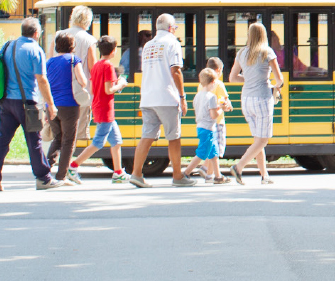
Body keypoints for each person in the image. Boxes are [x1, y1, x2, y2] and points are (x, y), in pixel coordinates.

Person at [0, 18, 55, 192]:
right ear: (36, 33)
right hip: (28, 102)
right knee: (34, 140)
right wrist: (50, 104)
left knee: (2, 139)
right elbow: (41, 80)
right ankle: (43, 178)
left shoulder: (9, 46)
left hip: (7, 100)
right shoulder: (35, 50)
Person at [129, 13, 193, 188]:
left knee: (147, 136)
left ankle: (136, 173)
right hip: (166, 96)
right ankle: (178, 175)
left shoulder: (148, 45)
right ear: (171, 28)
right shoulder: (173, 43)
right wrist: (182, 97)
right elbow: (176, 71)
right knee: (174, 136)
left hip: (148, 97)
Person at [46, 6, 99, 180]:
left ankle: (46, 168)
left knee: (59, 136)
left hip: (53, 97)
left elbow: (48, 62)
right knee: (70, 138)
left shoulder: (57, 35)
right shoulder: (88, 40)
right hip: (75, 97)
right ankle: (64, 173)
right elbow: (92, 68)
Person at [224, 23, 280, 185]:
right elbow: (279, 79)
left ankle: (265, 176)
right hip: (262, 98)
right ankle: (239, 167)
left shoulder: (242, 52)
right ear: (264, 35)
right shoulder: (267, 52)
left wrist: (249, 79)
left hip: (246, 100)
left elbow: (233, 78)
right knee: (263, 140)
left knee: (257, 139)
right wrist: (275, 86)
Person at [71, 36, 129, 183]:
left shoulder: (96, 65)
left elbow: (93, 87)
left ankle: (118, 172)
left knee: (116, 141)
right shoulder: (108, 66)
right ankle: (73, 166)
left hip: (98, 106)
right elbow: (109, 90)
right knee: (98, 142)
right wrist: (121, 84)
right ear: (114, 50)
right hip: (105, 109)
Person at [43, 32, 88, 187]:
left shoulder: (49, 62)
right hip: (69, 105)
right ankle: (62, 176)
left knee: (57, 138)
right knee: (68, 140)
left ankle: (45, 172)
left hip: (52, 106)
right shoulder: (74, 60)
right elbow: (82, 81)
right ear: (72, 46)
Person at [190, 64, 227, 184]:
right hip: (208, 129)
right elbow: (213, 115)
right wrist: (221, 109)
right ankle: (185, 173)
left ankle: (218, 176)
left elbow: (204, 110)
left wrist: (217, 107)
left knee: (214, 152)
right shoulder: (212, 97)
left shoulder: (197, 96)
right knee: (202, 153)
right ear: (212, 82)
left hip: (201, 126)